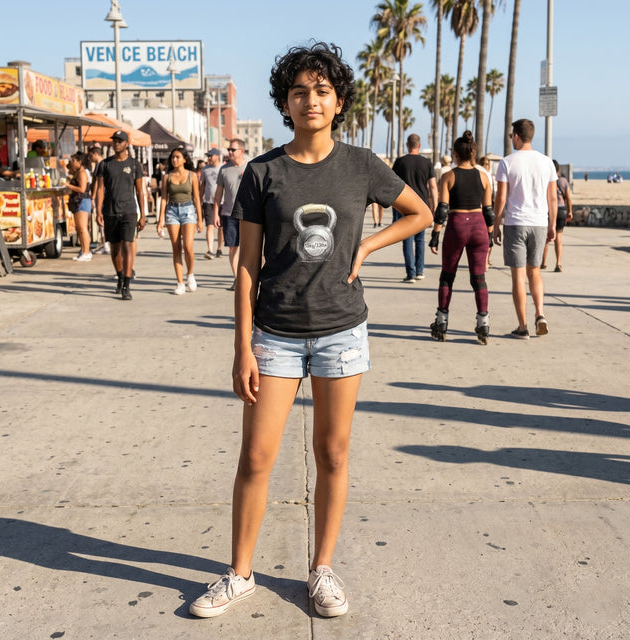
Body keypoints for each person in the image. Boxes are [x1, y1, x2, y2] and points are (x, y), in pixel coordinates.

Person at [188, 41, 432, 620]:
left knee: (334, 453)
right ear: (286, 102)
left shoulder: (362, 165)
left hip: (341, 330)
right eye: (300, 91)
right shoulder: (261, 172)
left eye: (322, 90)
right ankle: (240, 573)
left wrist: (368, 245)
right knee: (255, 457)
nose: (311, 100)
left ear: (339, 100)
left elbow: (421, 212)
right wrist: (243, 346)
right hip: (274, 332)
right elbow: (247, 265)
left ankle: (321, 569)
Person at [493, 118, 557, 339]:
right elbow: (552, 198)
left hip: (515, 223)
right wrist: (553, 225)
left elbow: (500, 198)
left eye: (512, 136)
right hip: (539, 222)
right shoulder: (547, 162)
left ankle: (523, 327)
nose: (512, 139)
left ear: (517, 136)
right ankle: (540, 313)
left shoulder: (507, 162)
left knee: (518, 277)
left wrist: (495, 225)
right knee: (535, 272)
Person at [428, 131, 493, 344]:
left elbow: (442, 210)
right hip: (479, 227)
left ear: (455, 154)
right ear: (473, 152)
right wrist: (490, 236)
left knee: (447, 275)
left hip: (457, 226)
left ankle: (441, 322)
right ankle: (483, 324)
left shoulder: (449, 176)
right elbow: (489, 211)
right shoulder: (483, 177)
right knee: (478, 278)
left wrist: (436, 234)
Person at [95, 130, 145, 301]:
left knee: (128, 246)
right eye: (114, 141)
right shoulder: (104, 164)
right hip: (110, 211)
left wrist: (143, 214)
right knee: (115, 249)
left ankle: (127, 285)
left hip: (129, 211)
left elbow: (140, 191)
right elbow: (100, 189)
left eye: (119, 141)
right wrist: (98, 210)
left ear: (126, 143)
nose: (116, 143)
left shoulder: (134, 164)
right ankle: (120, 276)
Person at [391, 133, 438, 282]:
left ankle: (410, 273)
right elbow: (433, 186)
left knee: (407, 239)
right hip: (422, 204)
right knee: (420, 239)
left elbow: (392, 183)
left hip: (404, 205)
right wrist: (434, 206)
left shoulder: (400, 162)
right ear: (419, 145)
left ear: (407, 145)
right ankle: (419, 271)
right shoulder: (427, 163)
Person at [157, 146, 203, 294]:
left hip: (189, 210)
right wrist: (160, 221)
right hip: (172, 211)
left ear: (184, 159)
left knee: (188, 247)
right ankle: (180, 283)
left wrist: (200, 220)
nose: (174, 160)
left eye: (177, 157)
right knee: (176, 247)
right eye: (173, 157)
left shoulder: (192, 176)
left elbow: (196, 198)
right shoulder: (167, 177)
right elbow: (164, 198)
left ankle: (190, 274)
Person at [214, 138, 247, 290]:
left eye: (233, 150)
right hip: (229, 213)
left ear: (241, 151)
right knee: (233, 247)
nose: (230, 152)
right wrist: (216, 213)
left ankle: (250, 276)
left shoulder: (251, 166)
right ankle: (237, 279)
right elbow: (218, 193)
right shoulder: (224, 169)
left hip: (249, 215)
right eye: (229, 150)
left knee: (250, 247)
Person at [541, 160, 572, 272]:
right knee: (558, 238)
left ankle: (543, 263)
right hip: (562, 210)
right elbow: (568, 198)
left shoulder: (546, 181)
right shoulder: (563, 181)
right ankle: (558, 263)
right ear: (558, 170)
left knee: (546, 238)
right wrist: (570, 211)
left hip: (549, 210)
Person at [65, 151, 93, 262]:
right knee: (80, 229)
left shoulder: (82, 173)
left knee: (83, 228)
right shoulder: (77, 172)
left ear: (79, 162)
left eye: (73, 161)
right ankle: (83, 250)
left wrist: (68, 185)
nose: (71, 163)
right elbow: (68, 168)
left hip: (82, 201)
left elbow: (82, 189)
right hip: (78, 201)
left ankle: (86, 251)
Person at [200, 148, 223, 259]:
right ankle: (210, 250)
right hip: (208, 201)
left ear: (217, 156)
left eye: (211, 155)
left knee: (220, 228)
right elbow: (202, 186)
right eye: (208, 155)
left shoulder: (222, 169)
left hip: (222, 202)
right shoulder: (205, 169)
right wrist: (199, 199)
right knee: (209, 226)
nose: (209, 158)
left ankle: (219, 248)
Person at [88, 145, 109, 255]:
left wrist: (93, 196)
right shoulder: (106, 163)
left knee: (100, 219)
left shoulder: (99, 165)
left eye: (91, 155)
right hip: (106, 194)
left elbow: (97, 183)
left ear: (96, 154)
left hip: (101, 195)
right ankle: (105, 244)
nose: (90, 158)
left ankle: (105, 244)